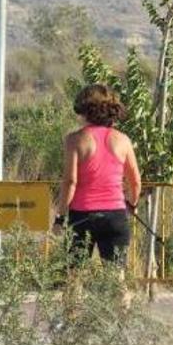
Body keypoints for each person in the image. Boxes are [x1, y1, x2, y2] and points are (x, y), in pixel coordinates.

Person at [54, 84, 141, 267]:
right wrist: (132, 205)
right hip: (115, 214)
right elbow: (135, 181)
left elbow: (70, 182)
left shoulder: (75, 140)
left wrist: (60, 217)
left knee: (74, 278)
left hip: (82, 216)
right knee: (116, 279)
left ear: (85, 111)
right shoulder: (123, 140)